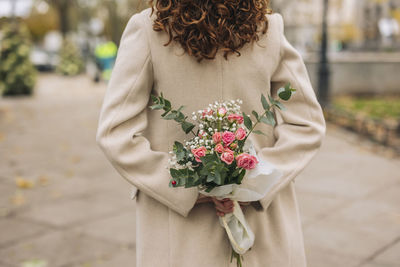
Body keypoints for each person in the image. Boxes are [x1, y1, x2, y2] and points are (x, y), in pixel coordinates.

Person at [95, 0, 326, 266]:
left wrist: (186, 183)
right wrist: (254, 179)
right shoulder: (266, 28)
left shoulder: (149, 29)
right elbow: (306, 124)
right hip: (252, 222)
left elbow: (115, 132)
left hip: (180, 233)